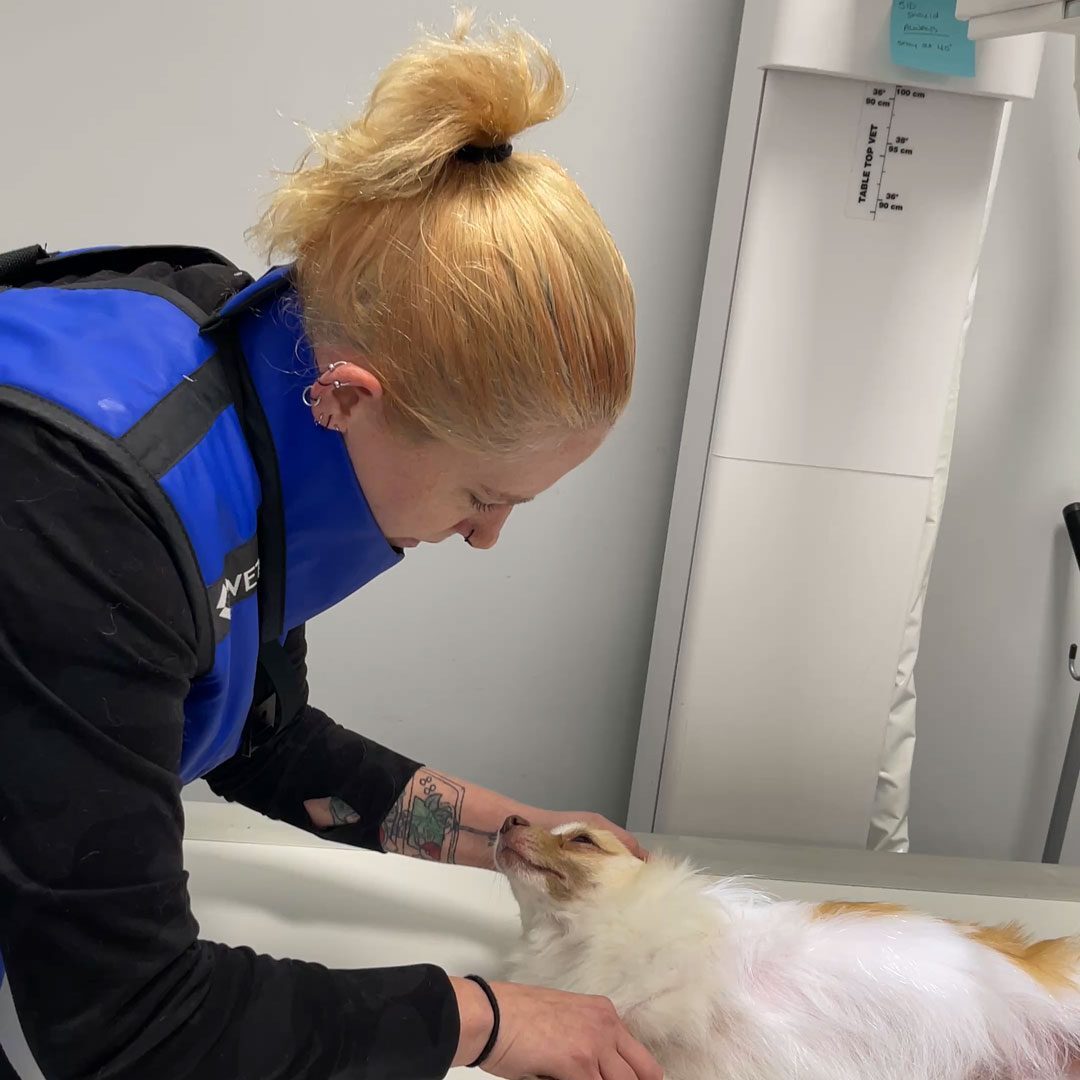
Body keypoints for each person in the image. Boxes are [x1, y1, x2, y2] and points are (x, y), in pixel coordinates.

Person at [0, 15, 659, 1080]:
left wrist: (511, 834)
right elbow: (128, 1024)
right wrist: (483, 1017)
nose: (485, 537)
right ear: (350, 399)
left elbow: (262, 733)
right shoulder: (89, 514)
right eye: (485, 496)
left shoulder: (259, 364)